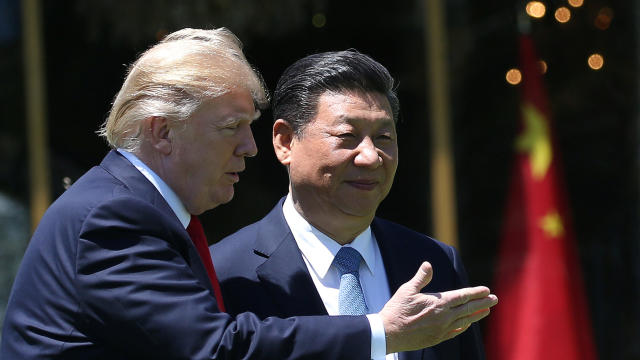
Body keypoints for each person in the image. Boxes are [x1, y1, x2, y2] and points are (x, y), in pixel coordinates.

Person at [1, 28, 497, 359]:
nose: (248, 147)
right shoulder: (117, 216)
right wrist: (382, 331)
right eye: (231, 127)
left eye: (384, 137)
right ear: (162, 132)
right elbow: (217, 349)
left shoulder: (431, 261)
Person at [211, 50, 492, 360]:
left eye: (384, 137)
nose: (370, 157)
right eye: (347, 135)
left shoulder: (433, 262)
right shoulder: (225, 273)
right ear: (285, 142)